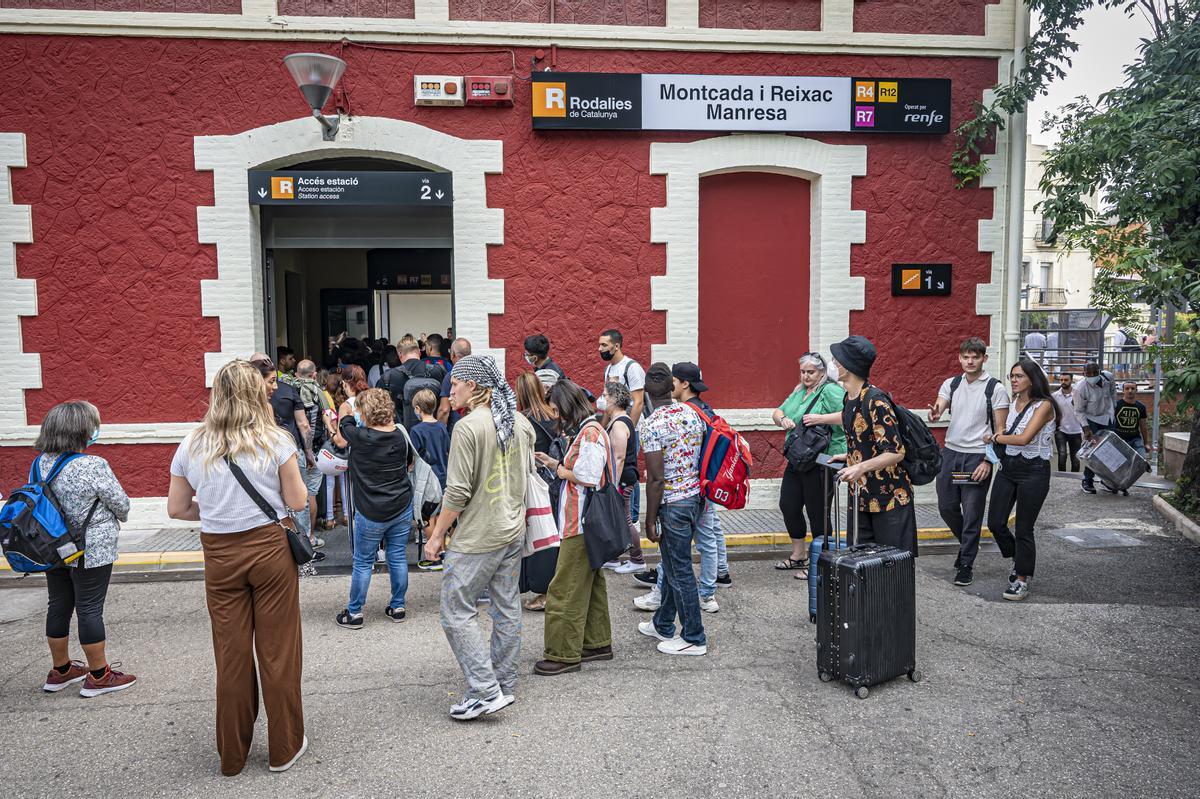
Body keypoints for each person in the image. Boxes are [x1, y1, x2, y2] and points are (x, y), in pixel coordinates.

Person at [167, 359, 308, 775]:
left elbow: (177, 508)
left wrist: (215, 512)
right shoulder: (275, 440)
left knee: (231, 655)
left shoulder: (192, 442)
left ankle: (232, 755)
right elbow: (298, 501)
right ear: (254, 393)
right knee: (278, 652)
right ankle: (284, 747)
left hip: (219, 553)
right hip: (268, 548)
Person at [423, 355, 535, 720]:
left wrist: (437, 535)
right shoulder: (519, 422)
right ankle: (503, 684)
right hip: (511, 529)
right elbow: (527, 475)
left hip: (478, 536)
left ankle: (485, 691)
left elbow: (456, 493)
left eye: (454, 383)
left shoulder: (468, 428)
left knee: (456, 612)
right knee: (506, 607)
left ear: (473, 386)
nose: (449, 390)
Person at [32, 400, 135, 698]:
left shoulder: (39, 463)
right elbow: (122, 505)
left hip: (52, 547)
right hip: (90, 549)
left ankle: (61, 670)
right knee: (89, 608)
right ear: (81, 431)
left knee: (58, 604)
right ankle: (100, 675)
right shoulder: (92, 465)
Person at [533, 380, 616, 675]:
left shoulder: (590, 432)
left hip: (579, 521)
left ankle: (563, 653)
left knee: (564, 588)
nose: (555, 415)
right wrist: (555, 462)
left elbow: (588, 476)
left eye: (556, 409)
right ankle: (596, 641)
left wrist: (557, 468)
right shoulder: (590, 429)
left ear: (567, 406)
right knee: (590, 584)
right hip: (583, 521)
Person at [635, 363, 709, 656]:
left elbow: (655, 479)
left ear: (648, 394)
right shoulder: (693, 413)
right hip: (694, 499)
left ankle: (694, 636)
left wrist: (649, 519)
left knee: (679, 572)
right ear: (671, 387)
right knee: (672, 564)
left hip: (673, 504)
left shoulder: (651, 424)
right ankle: (663, 623)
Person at [928, 338, 1010, 587]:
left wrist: (988, 460)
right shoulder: (951, 384)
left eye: (975, 356)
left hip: (977, 456)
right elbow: (939, 407)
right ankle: (966, 545)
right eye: (966, 356)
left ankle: (966, 564)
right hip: (951, 454)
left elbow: (1001, 430)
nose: (970, 361)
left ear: (984, 358)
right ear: (960, 358)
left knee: (973, 513)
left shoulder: (995, 389)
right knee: (947, 507)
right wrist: (935, 413)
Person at [827, 336, 918, 556]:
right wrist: (848, 457)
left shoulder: (876, 400)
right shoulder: (850, 398)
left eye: (836, 360)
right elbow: (863, 438)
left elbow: (895, 452)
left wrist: (860, 467)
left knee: (892, 567)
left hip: (890, 499)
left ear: (848, 367)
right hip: (861, 495)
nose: (832, 363)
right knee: (861, 565)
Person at [331, 388, 414, 628]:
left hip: (371, 509)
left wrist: (345, 408)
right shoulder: (399, 435)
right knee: (397, 556)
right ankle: (398, 606)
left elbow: (344, 426)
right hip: (400, 504)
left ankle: (355, 612)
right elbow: (408, 462)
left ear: (365, 412)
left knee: (363, 561)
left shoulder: (361, 436)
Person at [985, 358, 1059, 602]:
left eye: (1018, 376)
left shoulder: (1045, 406)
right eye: (1012, 376)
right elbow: (1007, 431)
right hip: (1009, 468)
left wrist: (995, 438)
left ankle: (1021, 579)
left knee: (1024, 528)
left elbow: (1024, 438)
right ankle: (1018, 556)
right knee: (995, 522)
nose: (1013, 381)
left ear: (1032, 378)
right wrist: (999, 436)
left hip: (1034, 470)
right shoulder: (1013, 401)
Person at [772, 352, 846, 579]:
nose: (806, 376)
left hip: (823, 459)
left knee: (818, 512)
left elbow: (849, 415)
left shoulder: (832, 391)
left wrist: (820, 419)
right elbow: (777, 411)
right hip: (798, 457)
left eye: (811, 372)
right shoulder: (799, 392)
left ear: (822, 373)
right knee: (789, 504)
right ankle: (799, 554)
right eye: (803, 371)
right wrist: (782, 419)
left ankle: (820, 562)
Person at [251, 356, 322, 562]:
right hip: (291, 451)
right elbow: (304, 424)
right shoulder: (288, 390)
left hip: (265, 457)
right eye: (271, 380)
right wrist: (308, 453)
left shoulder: (239, 404)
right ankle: (305, 543)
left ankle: (280, 544)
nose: (273, 386)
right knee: (300, 499)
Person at [515, 370, 561, 612]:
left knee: (536, 534)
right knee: (551, 535)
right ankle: (550, 588)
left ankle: (543, 591)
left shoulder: (523, 419)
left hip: (534, 481)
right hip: (556, 479)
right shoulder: (554, 414)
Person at [280, 359, 330, 551]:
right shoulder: (317, 392)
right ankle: (309, 537)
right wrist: (309, 452)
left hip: (288, 447)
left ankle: (292, 535)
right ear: (314, 375)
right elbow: (308, 425)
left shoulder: (285, 389)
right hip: (310, 448)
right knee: (309, 494)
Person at [599, 381, 645, 575]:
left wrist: (613, 485)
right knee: (616, 519)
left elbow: (618, 458)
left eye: (605, 395)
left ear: (615, 399)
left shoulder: (619, 424)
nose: (602, 399)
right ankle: (612, 557)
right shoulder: (621, 420)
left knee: (625, 519)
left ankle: (637, 559)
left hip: (622, 480)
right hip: (624, 479)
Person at [1073, 362, 1116, 494]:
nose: (1092, 376)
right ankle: (1087, 480)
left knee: (1109, 450)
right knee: (1092, 450)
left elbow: (1113, 395)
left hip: (1108, 416)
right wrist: (1086, 428)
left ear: (1100, 371)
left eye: (1094, 373)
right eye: (1088, 374)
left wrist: (1114, 412)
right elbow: (1078, 411)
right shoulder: (1080, 388)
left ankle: (1106, 480)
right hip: (1091, 419)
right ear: (1083, 374)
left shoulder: (1108, 378)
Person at [597, 328, 645, 420]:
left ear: (616, 346)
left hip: (632, 426)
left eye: (604, 345)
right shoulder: (608, 369)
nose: (600, 349)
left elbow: (638, 402)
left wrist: (630, 428)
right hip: (616, 423)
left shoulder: (631, 367)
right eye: (600, 345)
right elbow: (610, 402)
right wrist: (603, 429)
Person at [1114, 381, 1151, 490]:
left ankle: (1126, 481)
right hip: (1119, 440)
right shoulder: (1117, 405)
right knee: (1117, 465)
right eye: (1127, 388)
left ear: (1136, 390)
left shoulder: (1141, 407)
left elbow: (1143, 427)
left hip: (1135, 439)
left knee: (1141, 461)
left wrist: (1146, 443)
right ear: (1123, 390)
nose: (1130, 391)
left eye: (1132, 388)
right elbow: (1110, 423)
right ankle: (1113, 482)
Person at [1052, 373, 1084, 472]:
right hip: (1061, 430)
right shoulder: (1055, 396)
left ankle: (1074, 480)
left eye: (1066, 380)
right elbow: (1052, 413)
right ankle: (1062, 478)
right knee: (1062, 456)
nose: (1063, 382)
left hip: (1076, 430)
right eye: (1061, 380)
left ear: (1071, 381)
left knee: (1075, 459)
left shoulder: (1078, 394)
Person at [437, 337, 472, 429]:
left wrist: (440, 434)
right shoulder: (478, 373)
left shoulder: (451, 376)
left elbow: (444, 410)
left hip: (458, 427)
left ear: (452, 355)